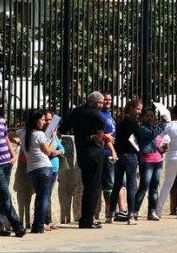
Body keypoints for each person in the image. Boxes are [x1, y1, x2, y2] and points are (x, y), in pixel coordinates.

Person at [60, 91, 107, 229]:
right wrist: (99, 135)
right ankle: (87, 220)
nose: (101, 105)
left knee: (88, 186)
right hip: (94, 152)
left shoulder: (77, 111)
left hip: (82, 153)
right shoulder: (93, 113)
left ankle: (86, 218)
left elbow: (64, 127)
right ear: (93, 102)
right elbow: (102, 122)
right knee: (93, 187)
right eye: (99, 102)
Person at [0, 95, 26, 237]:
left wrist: (13, 154)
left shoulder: (2, 121)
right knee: (5, 194)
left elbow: (6, 138)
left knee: (1, 195)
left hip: (6, 162)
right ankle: (17, 225)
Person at [17, 110, 56, 234]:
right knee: (44, 197)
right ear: (36, 120)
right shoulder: (39, 134)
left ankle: (37, 224)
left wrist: (18, 142)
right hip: (44, 167)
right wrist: (53, 137)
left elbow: (9, 134)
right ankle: (39, 225)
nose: (44, 122)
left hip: (32, 169)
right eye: (42, 120)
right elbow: (48, 152)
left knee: (39, 196)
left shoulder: (22, 132)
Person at [109, 98, 142, 225]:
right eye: (138, 109)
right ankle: (131, 216)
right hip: (130, 154)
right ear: (132, 108)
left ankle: (111, 213)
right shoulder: (132, 121)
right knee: (130, 185)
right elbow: (138, 136)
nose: (139, 112)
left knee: (117, 184)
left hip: (119, 153)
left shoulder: (119, 119)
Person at [135, 107, 168, 221]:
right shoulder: (142, 128)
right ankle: (134, 211)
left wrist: (163, 148)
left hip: (158, 160)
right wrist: (164, 123)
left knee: (154, 187)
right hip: (147, 161)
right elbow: (152, 134)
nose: (150, 118)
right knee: (144, 186)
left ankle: (152, 211)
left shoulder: (154, 128)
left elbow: (158, 143)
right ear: (142, 117)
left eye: (152, 116)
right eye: (147, 116)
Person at [97, 91, 121, 222]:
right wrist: (106, 137)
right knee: (109, 183)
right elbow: (99, 132)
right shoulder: (99, 115)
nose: (108, 102)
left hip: (113, 152)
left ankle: (114, 209)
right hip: (106, 152)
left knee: (115, 183)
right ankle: (109, 210)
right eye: (105, 100)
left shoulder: (109, 115)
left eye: (110, 100)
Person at [43, 110, 65, 230]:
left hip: (55, 167)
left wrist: (59, 151)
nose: (48, 122)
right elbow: (47, 150)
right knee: (45, 195)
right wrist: (53, 151)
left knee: (49, 195)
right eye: (45, 119)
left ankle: (48, 220)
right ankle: (44, 221)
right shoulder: (43, 135)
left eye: (50, 119)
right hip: (47, 167)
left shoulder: (54, 134)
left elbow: (62, 148)